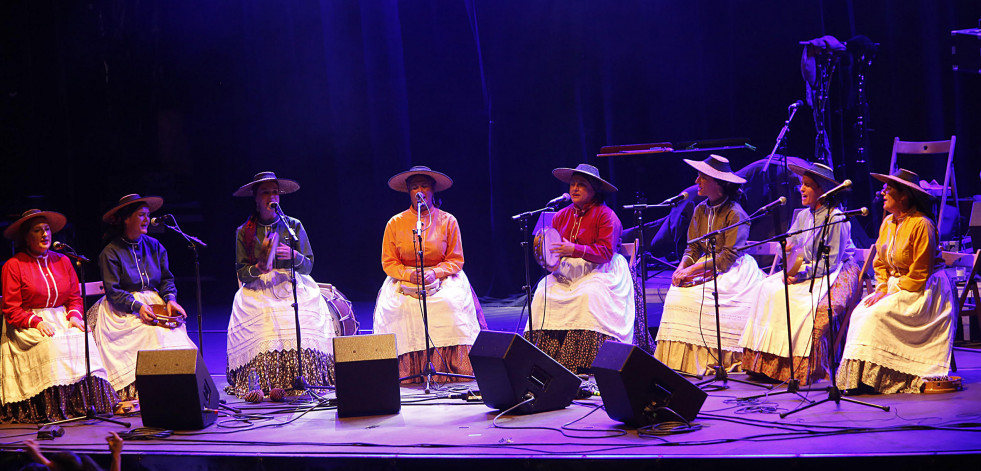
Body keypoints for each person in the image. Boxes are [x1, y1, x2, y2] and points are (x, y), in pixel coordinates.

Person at [739, 162, 861, 385]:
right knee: (767, 289)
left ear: (823, 190)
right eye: (801, 184)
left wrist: (802, 275)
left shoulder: (835, 218)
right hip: (804, 268)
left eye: (807, 185)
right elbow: (791, 240)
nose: (801, 189)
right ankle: (763, 364)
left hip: (830, 270)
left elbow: (831, 262)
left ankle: (800, 367)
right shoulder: (804, 215)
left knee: (801, 302)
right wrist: (785, 248)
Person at [838, 169, 955, 394]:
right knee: (861, 311)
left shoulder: (922, 224)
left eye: (888, 189)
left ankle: (883, 377)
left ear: (904, 196)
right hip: (895, 286)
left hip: (924, 289)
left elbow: (920, 272)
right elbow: (880, 264)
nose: (882, 193)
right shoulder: (888, 223)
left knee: (876, 315)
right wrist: (882, 287)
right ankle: (860, 378)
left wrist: (892, 289)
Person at [225, 172, 336, 398]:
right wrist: (258, 269)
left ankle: (307, 376)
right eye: (266, 192)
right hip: (258, 288)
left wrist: (294, 256)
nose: (272, 196)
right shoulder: (244, 231)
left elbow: (308, 265)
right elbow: (241, 272)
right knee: (265, 317)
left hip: (290, 282)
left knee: (302, 312)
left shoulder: (293, 226)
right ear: (256, 198)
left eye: (275, 192)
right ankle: (266, 382)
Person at [1, 210, 117, 423]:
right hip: (27, 322)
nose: (45, 234)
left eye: (46, 229)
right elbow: (11, 308)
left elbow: (73, 296)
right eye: (37, 231)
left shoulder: (63, 261)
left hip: (61, 317)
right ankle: (54, 408)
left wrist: (74, 316)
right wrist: (36, 322)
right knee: (51, 343)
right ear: (26, 237)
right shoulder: (13, 266)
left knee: (84, 339)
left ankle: (87, 404)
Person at [654, 155, 764, 376]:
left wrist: (691, 270)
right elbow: (692, 249)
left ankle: (717, 359)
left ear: (718, 183)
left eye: (702, 177)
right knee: (676, 294)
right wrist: (680, 268)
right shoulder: (700, 210)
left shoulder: (735, 213)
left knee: (705, 296)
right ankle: (680, 362)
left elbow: (727, 258)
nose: (697, 182)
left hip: (734, 271)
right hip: (705, 265)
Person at [373, 166, 481, 382]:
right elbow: (389, 262)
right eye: (414, 187)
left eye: (424, 186)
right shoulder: (395, 223)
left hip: (441, 276)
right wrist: (407, 275)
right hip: (405, 277)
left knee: (449, 304)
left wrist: (436, 272)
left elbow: (456, 259)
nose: (420, 191)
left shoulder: (448, 220)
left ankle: (452, 366)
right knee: (397, 308)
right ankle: (406, 370)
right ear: (409, 192)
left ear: (433, 191)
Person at [525, 163, 634, 373]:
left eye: (581, 185)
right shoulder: (560, 215)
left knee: (588, 296)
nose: (574, 189)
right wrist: (549, 259)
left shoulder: (606, 216)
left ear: (594, 189)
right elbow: (550, 248)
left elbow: (605, 253)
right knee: (542, 293)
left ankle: (584, 359)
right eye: (573, 184)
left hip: (601, 269)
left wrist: (573, 249)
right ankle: (545, 355)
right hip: (567, 271)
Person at [88, 194, 197, 400]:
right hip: (123, 307)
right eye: (141, 215)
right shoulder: (110, 252)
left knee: (174, 331)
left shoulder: (155, 246)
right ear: (126, 219)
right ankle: (153, 390)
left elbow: (166, 279)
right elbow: (113, 291)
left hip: (154, 301)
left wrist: (170, 299)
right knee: (152, 334)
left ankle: (178, 387)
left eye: (148, 215)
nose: (147, 219)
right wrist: (137, 307)